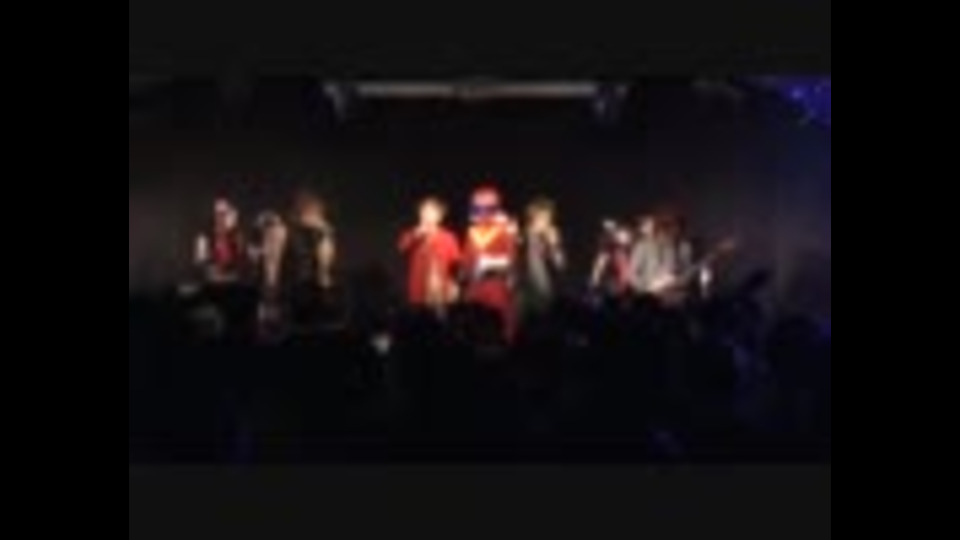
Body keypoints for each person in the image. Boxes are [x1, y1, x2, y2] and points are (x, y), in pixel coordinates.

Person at [461, 185, 519, 339]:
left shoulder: (504, 230)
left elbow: (511, 257)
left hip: (496, 283)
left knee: (499, 317)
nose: (482, 213)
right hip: (475, 284)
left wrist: (492, 264)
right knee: (473, 318)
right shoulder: (472, 232)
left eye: (487, 209)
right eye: (477, 209)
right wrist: (464, 274)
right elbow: (466, 259)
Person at [278, 191, 337, 328]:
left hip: (312, 292)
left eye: (320, 215)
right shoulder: (289, 233)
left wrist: (326, 235)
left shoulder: (319, 235)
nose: (320, 219)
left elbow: (326, 267)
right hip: (297, 293)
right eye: (315, 214)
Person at [397, 197, 462, 315]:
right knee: (420, 319)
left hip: (441, 290)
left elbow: (456, 264)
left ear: (439, 217)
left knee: (441, 318)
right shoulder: (413, 235)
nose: (426, 215)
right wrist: (416, 234)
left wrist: (454, 285)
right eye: (423, 211)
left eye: (430, 212)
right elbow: (402, 248)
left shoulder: (448, 237)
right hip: (419, 291)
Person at [517, 197, 566, 316]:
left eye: (549, 219)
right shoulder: (521, 236)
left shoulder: (548, 238)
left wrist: (554, 245)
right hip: (524, 294)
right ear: (533, 217)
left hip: (545, 294)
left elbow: (561, 265)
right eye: (544, 218)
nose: (548, 223)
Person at [629, 211, 693, 298]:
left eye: (670, 230)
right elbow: (633, 275)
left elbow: (684, 272)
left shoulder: (675, 246)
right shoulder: (642, 246)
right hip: (650, 296)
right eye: (664, 229)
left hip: (673, 294)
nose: (668, 234)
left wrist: (676, 280)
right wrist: (648, 286)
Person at [193, 198, 248, 284]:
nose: (222, 218)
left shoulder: (236, 235)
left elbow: (242, 259)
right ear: (214, 215)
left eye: (225, 214)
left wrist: (234, 233)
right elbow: (200, 262)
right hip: (212, 279)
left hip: (232, 279)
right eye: (219, 214)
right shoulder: (205, 235)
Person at [587, 219, 633, 299]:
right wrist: (594, 281)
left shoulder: (629, 249)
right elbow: (599, 265)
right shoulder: (608, 249)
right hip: (613, 285)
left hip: (626, 285)